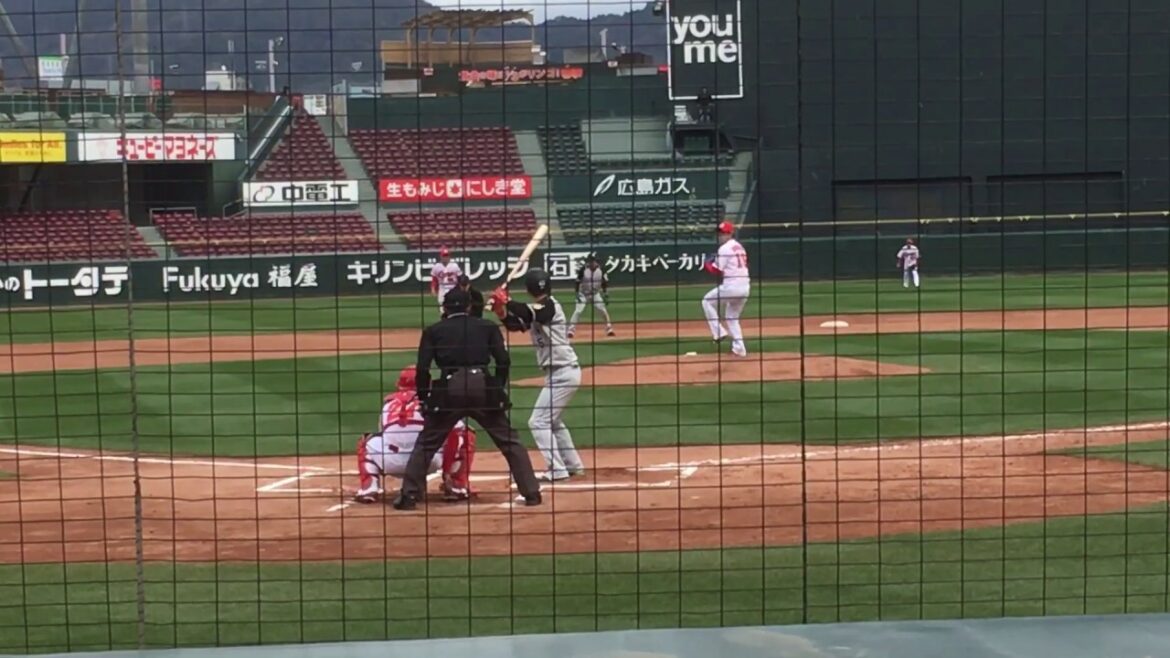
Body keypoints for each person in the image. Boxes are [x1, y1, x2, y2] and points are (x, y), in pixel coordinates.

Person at [393, 288, 542, 509]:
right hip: (482, 386)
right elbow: (503, 361)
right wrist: (496, 387)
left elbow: (423, 368)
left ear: (444, 308)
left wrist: (425, 398)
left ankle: (409, 497)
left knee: (427, 443)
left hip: (449, 389)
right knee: (509, 441)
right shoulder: (487, 327)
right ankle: (531, 493)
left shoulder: (434, 330)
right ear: (470, 306)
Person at [490, 270, 585, 481]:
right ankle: (573, 465)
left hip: (564, 372)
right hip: (559, 372)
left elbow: (532, 312)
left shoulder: (550, 306)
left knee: (538, 422)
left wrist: (507, 300)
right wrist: (501, 311)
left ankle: (557, 470)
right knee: (553, 422)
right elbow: (516, 324)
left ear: (528, 289)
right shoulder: (539, 308)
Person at [353, 365, 475, 503]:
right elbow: (455, 432)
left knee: (367, 441)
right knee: (464, 434)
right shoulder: (434, 401)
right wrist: (446, 469)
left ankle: (369, 488)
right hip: (427, 461)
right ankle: (456, 486)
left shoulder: (388, 404)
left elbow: (385, 433)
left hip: (391, 463)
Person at [701, 221, 750, 357]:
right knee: (732, 317)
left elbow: (716, 270)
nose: (721, 236)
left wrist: (707, 264)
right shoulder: (739, 246)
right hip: (745, 287)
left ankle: (718, 333)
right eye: (720, 233)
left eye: (724, 233)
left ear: (730, 233)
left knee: (706, 301)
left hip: (731, 286)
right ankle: (739, 349)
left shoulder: (724, 248)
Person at [567, 254, 615, 339]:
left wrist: (605, 293)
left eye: (593, 261)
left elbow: (604, 282)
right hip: (583, 294)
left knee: (602, 310)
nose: (592, 263)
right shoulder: (583, 269)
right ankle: (571, 330)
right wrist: (577, 293)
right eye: (591, 261)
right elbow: (577, 281)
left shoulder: (601, 270)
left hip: (595, 294)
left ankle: (609, 329)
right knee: (578, 311)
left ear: (596, 262)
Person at [430, 247, 462, 314]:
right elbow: (434, 279)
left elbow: (460, 278)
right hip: (442, 288)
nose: (445, 258)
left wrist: (460, 288)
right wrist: (433, 288)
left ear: (449, 257)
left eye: (447, 256)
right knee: (442, 308)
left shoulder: (455, 266)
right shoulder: (436, 267)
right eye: (444, 256)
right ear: (440, 256)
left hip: (453, 287)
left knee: (453, 307)